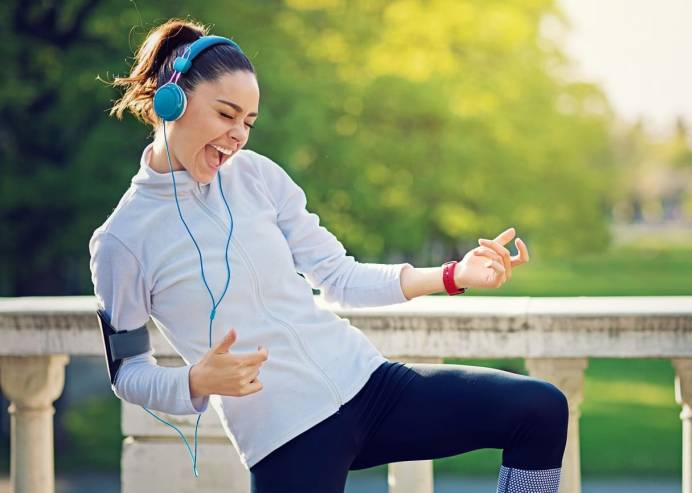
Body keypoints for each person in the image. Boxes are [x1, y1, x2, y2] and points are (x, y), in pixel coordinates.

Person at [90, 17, 568, 493]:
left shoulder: (256, 176)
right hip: (287, 436)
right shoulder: (122, 241)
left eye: (248, 122)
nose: (239, 135)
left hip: (370, 385)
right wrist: (194, 380)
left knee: (539, 409)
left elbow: (339, 275)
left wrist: (453, 275)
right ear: (173, 100)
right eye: (226, 114)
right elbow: (128, 373)